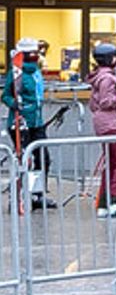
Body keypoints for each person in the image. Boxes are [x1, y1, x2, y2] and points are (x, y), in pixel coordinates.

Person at [4, 38, 55, 209]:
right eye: (31, 53)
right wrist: (14, 103)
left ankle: (37, 195)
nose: (35, 56)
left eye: (36, 53)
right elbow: (5, 95)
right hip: (20, 122)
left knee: (43, 159)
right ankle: (17, 196)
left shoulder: (36, 72)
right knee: (23, 160)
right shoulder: (16, 72)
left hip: (36, 122)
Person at [87, 42, 116, 217]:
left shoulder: (99, 76)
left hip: (105, 124)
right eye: (115, 57)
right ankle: (115, 200)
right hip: (111, 124)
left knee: (112, 162)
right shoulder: (107, 78)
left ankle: (104, 203)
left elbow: (94, 103)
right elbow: (106, 101)